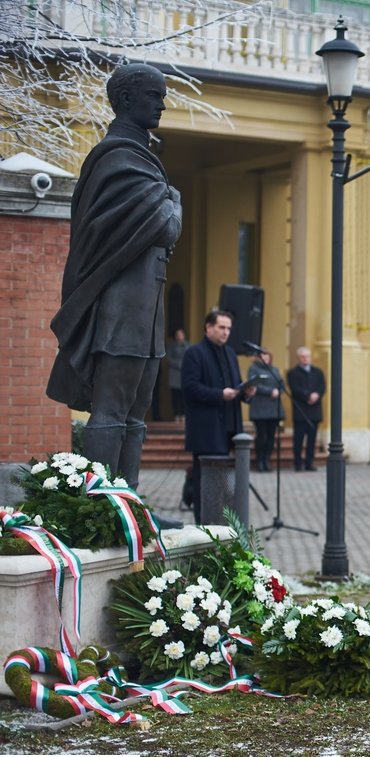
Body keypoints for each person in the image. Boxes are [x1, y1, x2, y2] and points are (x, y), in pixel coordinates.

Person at [46, 64, 182, 491]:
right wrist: (173, 199)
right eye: (153, 95)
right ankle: (101, 505)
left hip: (148, 306)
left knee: (136, 415)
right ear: (125, 99)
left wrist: (170, 201)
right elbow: (166, 224)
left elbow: (163, 218)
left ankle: (128, 503)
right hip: (122, 307)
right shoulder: (117, 157)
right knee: (111, 409)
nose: (162, 103)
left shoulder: (141, 158)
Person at [181, 310, 255, 523]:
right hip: (207, 429)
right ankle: (203, 523)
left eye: (228, 328)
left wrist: (245, 394)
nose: (225, 332)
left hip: (230, 428)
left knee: (226, 483)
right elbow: (190, 388)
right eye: (221, 327)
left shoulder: (230, 353)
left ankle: (223, 522)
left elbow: (235, 386)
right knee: (204, 481)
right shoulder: (195, 353)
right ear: (208, 327)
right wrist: (219, 395)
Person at [287, 347, 325, 472]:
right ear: (299, 358)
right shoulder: (293, 373)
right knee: (298, 439)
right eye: (303, 357)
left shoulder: (318, 372)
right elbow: (295, 389)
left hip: (315, 411)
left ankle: (309, 462)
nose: (305, 359)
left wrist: (316, 395)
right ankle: (297, 463)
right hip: (300, 411)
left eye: (307, 356)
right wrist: (308, 396)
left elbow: (322, 387)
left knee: (312, 439)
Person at [247, 349, 285, 472]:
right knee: (261, 435)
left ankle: (267, 459)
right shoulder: (253, 369)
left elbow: (281, 384)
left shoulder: (274, 370)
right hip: (260, 408)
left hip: (274, 408)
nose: (265, 358)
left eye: (267, 356)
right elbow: (254, 385)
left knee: (271, 436)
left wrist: (279, 391)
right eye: (263, 355)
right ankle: (260, 461)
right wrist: (270, 391)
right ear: (258, 357)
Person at [166, 329, 189, 422]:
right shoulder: (171, 346)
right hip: (174, 375)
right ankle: (176, 415)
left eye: (181, 334)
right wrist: (179, 364)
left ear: (184, 335)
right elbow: (168, 358)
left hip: (185, 374)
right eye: (177, 334)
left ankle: (184, 415)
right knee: (175, 397)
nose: (179, 336)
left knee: (184, 396)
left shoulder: (188, 346)